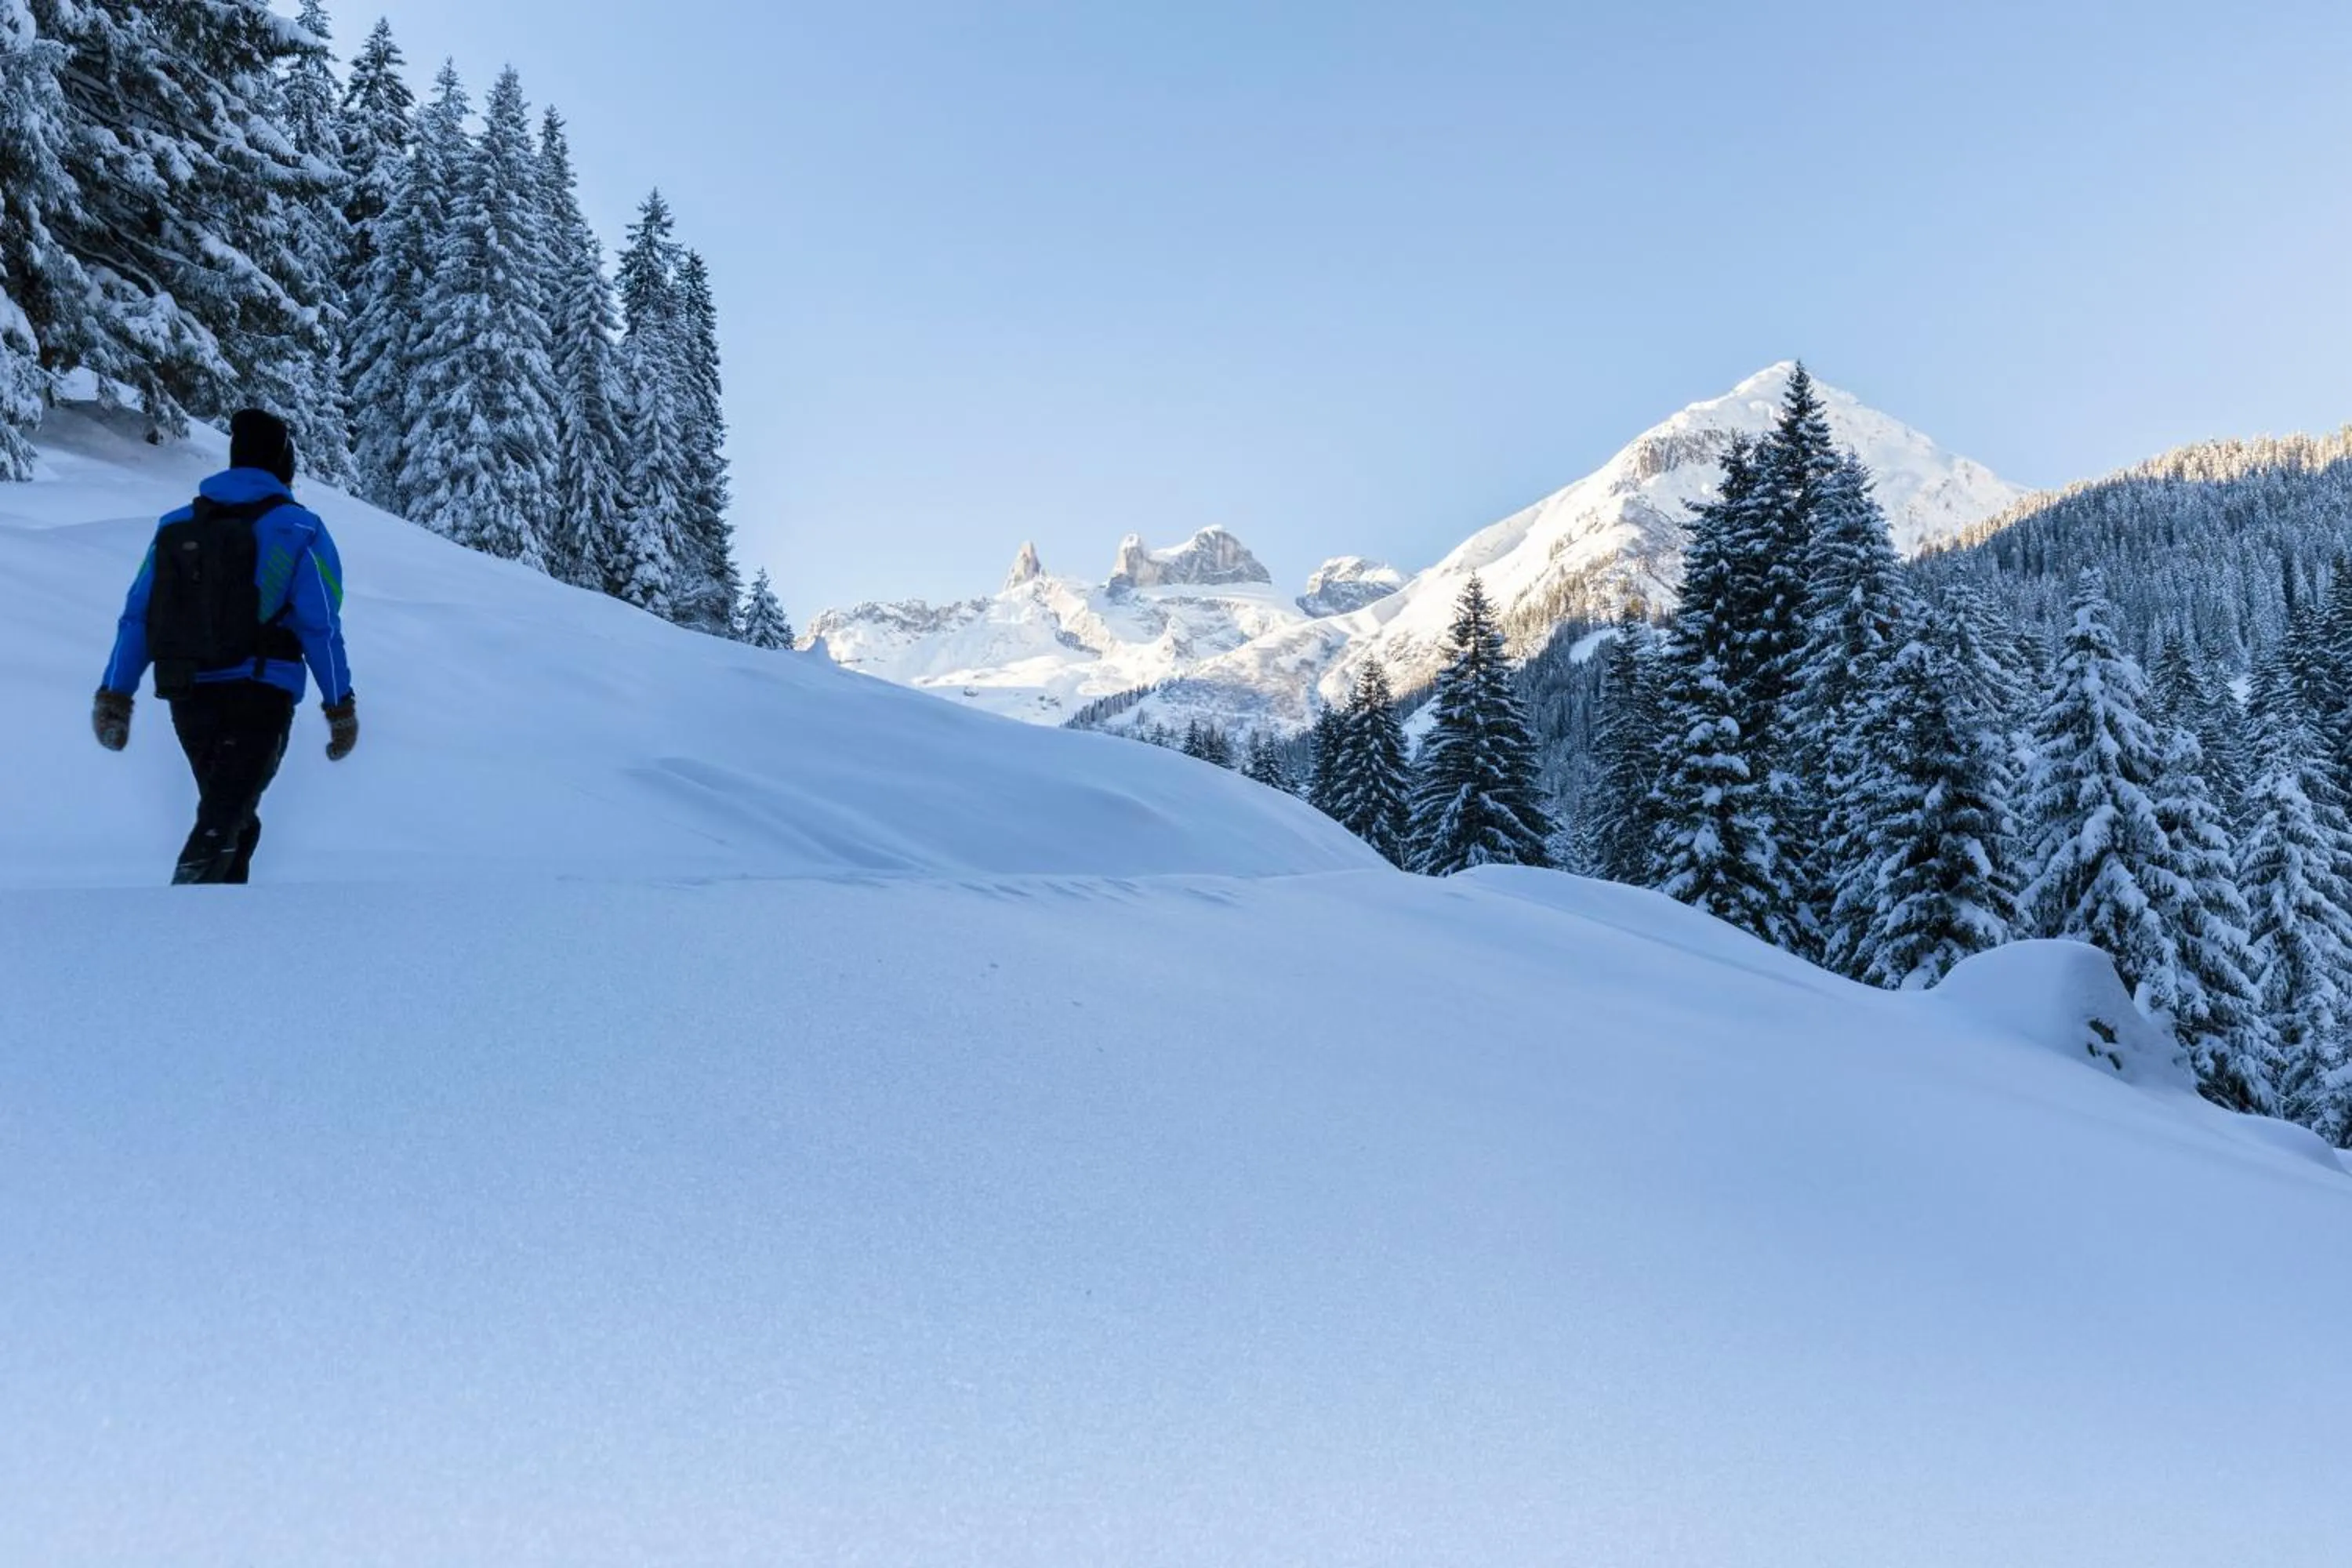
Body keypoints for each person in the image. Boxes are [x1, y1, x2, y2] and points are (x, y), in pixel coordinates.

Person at [92, 408, 358, 884]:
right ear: (283, 463)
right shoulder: (299, 528)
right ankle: (166, 936)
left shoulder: (176, 525)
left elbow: (138, 614)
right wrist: (340, 706)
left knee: (234, 817)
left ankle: (221, 944)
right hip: (261, 691)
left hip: (189, 693)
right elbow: (321, 625)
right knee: (222, 822)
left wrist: (116, 694)